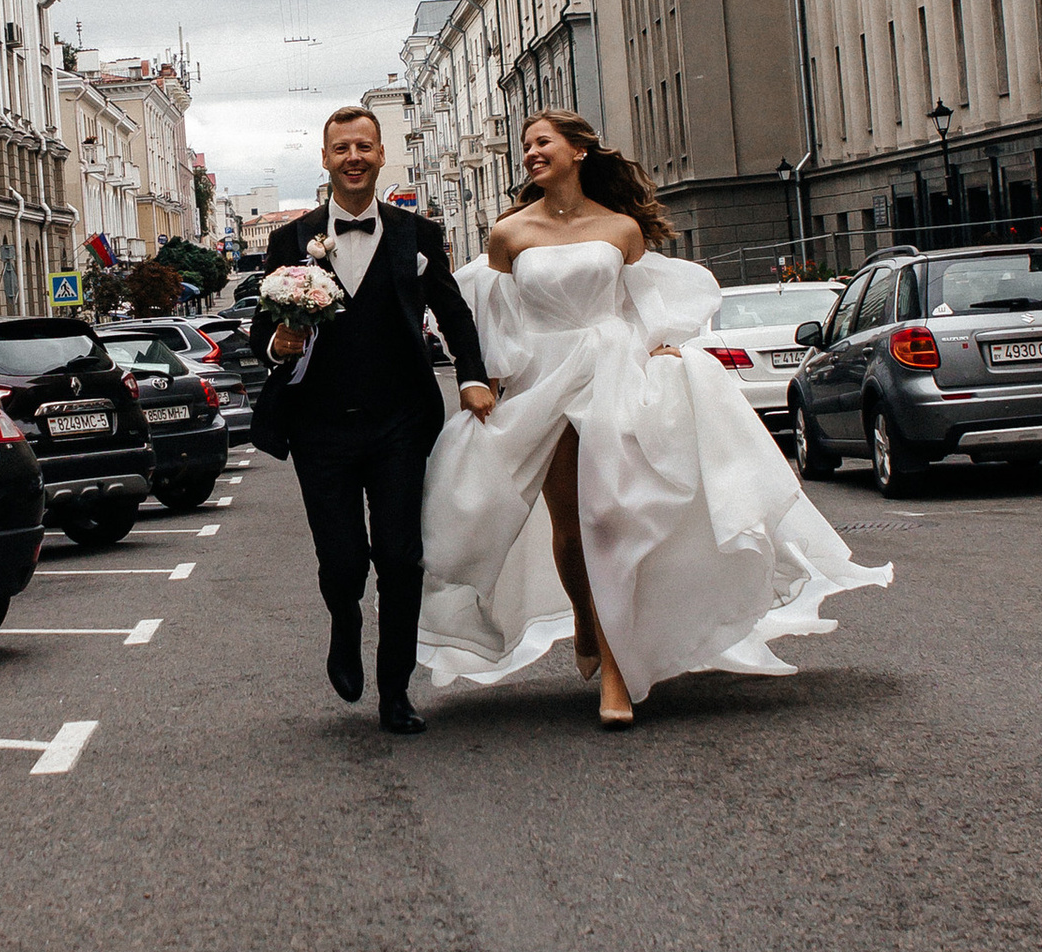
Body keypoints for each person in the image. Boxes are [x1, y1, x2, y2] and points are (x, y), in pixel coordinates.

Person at [416, 113, 892, 726]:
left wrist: (662, 345)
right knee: (567, 524)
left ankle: (615, 672)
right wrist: (487, 379)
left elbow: (644, 303)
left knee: (610, 517)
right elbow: (496, 316)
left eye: (543, 143)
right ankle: (586, 619)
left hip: (613, 372)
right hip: (543, 379)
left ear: (579, 151)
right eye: (527, 146)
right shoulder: (508, 233)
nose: (531, 153)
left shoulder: (621, 228)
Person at [251, 107, 494, 736]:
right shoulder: (293, 238)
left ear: (382, 156)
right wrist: (274, 345)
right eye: (341, 149)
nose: (353, 157)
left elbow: (453, 310)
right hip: (320, 427)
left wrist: (471, 375)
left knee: (400, 556)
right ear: (326, 159)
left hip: (399, 424)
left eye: (364, 146)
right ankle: (344, 623)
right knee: (341, 559)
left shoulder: (417, 233)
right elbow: (260, 326)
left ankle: (395, 691)